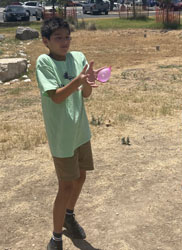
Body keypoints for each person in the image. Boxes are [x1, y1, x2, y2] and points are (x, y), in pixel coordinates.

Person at [36, 17, 103, 250]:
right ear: (46, 41)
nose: (65, 42)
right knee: (65, 185)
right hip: (62, 136)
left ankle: (69, 215)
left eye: (67, 37)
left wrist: (87, 82)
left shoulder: (78, 58)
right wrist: (77, 81)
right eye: (58, 38)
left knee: (81, 176)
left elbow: (85, 95)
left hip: (80, 130)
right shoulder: (44, 62)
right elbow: (56, 96)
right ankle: (56, 237)